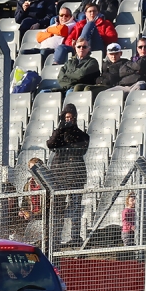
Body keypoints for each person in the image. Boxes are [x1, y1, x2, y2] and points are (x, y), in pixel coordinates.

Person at [46, 104, 90, 246]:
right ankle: (55, 238)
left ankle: (75, 236)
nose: (68, 120)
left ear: (75, 118)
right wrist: (61, 129)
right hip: (58, 176)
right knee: (58, 208)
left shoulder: (82, 135)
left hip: (76, 176)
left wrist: (70, 132)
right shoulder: (59, 132)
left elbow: (79, 149)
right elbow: (51, 145)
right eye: (66, 118)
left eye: (70, 117)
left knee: (76, 207)